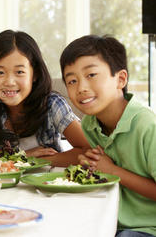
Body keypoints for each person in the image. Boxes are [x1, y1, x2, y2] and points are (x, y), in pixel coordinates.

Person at [60, 35, 156, 237]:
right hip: (109, 220)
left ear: (120, 79)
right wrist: (91, 167)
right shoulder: (90, 124)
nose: (81, 88)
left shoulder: (147, 126)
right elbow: (104, 172)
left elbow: (112, 171)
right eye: (72, 80)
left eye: (91, 75)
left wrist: (112, 171)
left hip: (145, 228)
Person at [0, 30, 89, 166]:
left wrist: (36, 160)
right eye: (0, 72)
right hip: (1, 185)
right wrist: (18, 156)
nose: (9, 82)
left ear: (35, 74)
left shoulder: (52, 104)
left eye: (19, 72)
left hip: (44, 183)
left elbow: (88, 151)